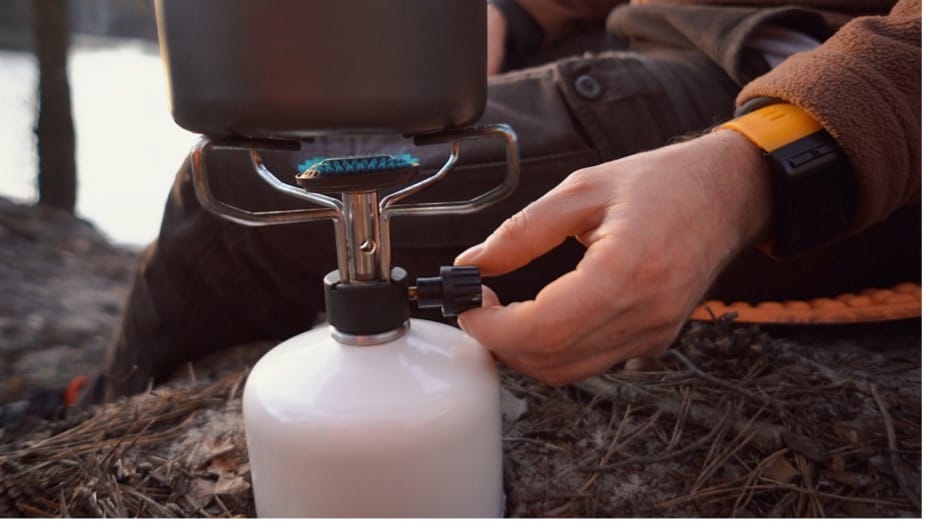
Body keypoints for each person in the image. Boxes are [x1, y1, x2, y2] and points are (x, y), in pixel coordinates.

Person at [94, 0, 920, 400]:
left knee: (231, 194)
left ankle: (100, 406)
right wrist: (510, 14)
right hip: (657, 32)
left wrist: (756, 169)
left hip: (832, 93)